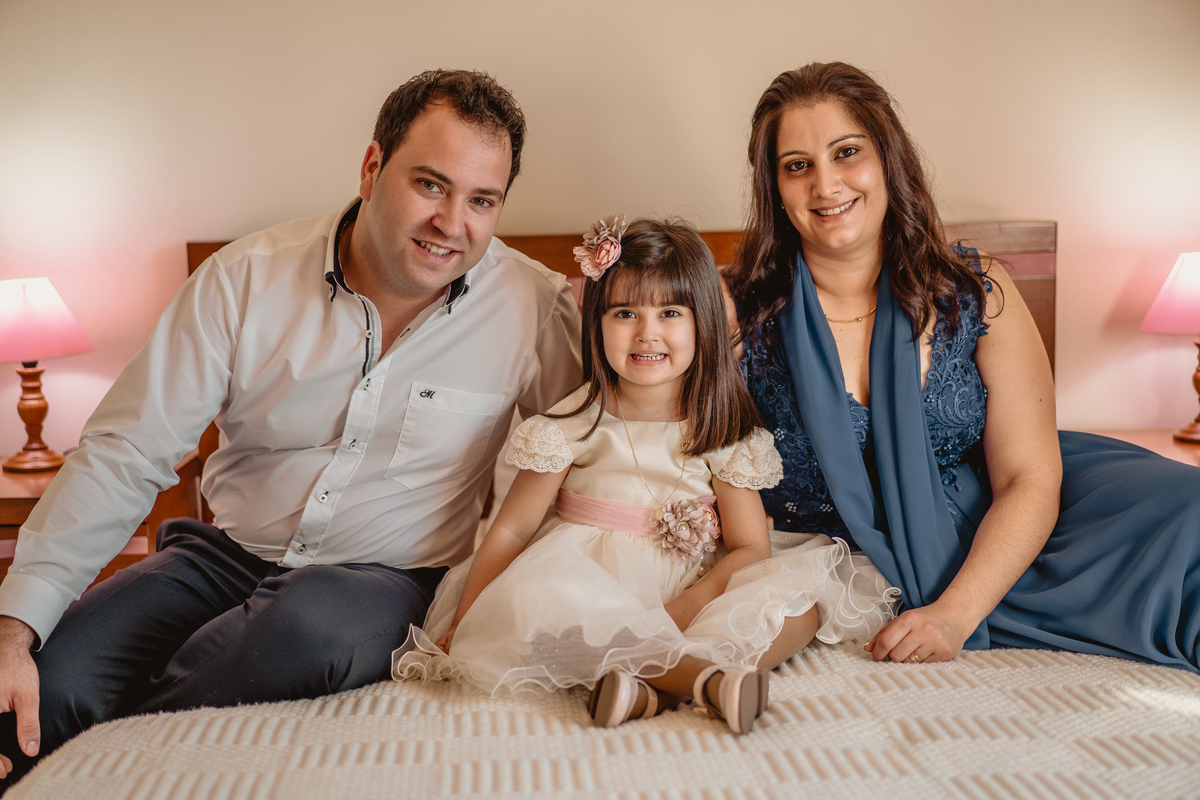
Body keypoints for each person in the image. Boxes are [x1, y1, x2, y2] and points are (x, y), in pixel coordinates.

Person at [0, 69, 582, 783]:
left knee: (309, 625)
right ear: (372, 167)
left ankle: (110, 767)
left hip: (389, 581)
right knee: (43, 685)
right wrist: (14, 627)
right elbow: (127, 450)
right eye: (431, 185)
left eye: (481, 200)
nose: (452, 223)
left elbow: (589, 457)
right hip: (221, 558)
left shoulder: (534, 307)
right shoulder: (242, 280)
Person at [726, 61, 1200, 671]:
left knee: (1189, 515)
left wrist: (954, 613)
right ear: (774, 187)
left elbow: (1030, 477)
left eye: (847, 152)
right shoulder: (734, 315)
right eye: (798, 165)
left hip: (1017, 528)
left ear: (888, 159)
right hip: (853, 559)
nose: (826, 184)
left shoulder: (974, 290)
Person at [392, 216, 897, 734]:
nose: (646, 332)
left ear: (703, 323)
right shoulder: (574, 422)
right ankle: (709, 681)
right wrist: (467, 615)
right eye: (625, 312)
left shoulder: (721, 429)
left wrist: (686, 608)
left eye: (670, 312)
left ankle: (649, 690)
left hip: (696, 586)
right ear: (596, 322)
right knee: (535, 601)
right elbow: (512, 530)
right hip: (589, 582)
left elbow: (750, 548)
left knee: (799, 603)